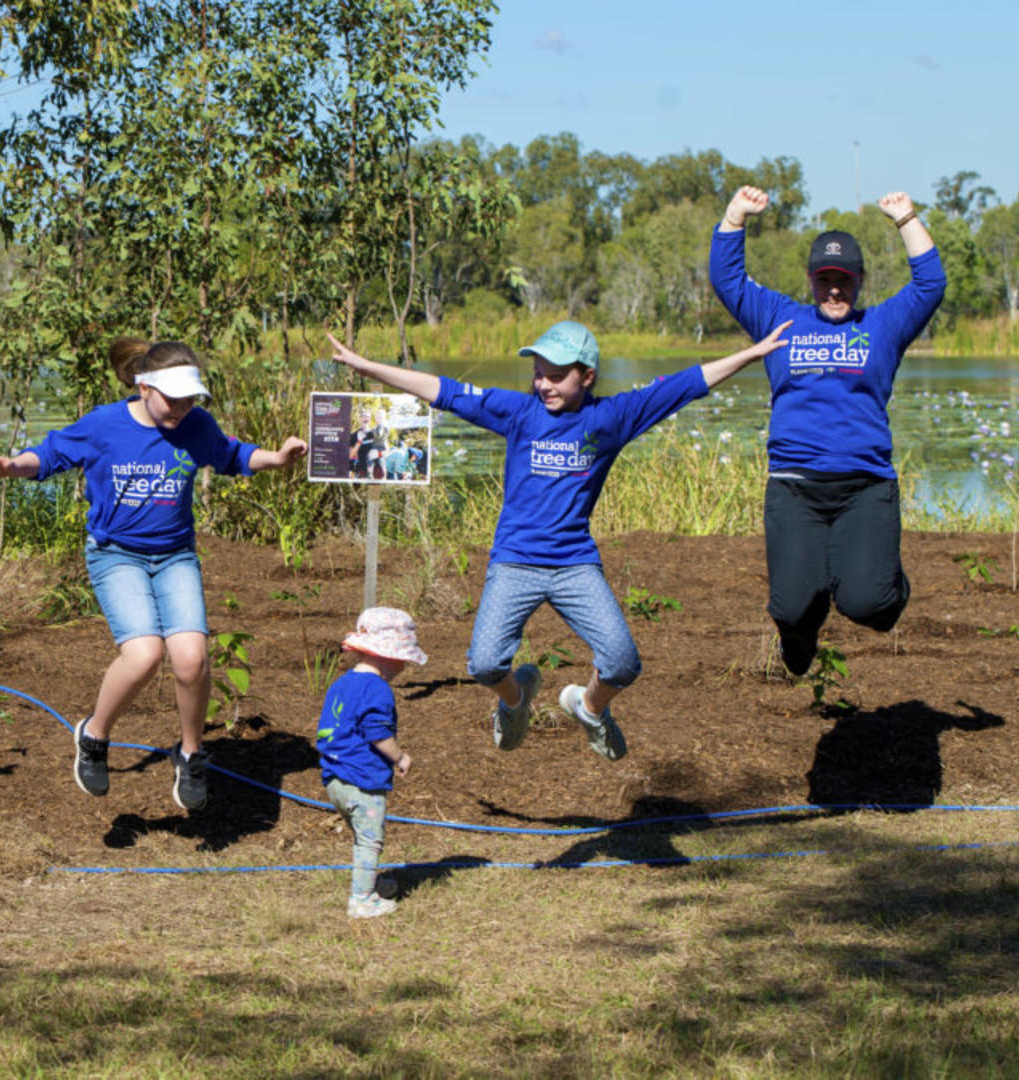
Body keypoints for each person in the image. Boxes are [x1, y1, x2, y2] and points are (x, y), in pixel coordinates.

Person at [325, 321, 790, 760]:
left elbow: (685, 385)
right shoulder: (519, 412)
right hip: (515, 562)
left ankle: (588, 707)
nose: (544, 384)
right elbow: (442, 390)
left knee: (623, 663)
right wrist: (368, 367)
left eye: (556, 376)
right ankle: (516, 699)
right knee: (485, 665)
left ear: (587, 377)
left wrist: (751, 353)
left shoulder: (612, 417)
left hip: (574, 564)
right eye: (538, 374)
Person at [0, 339, 307, 811]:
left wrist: (276, 457)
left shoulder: (196, 425)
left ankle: (191, 754)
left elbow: (230, 454)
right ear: (143, 386)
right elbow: (48, 456)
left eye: (191, 398)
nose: (183, 407)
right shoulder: (105, 425)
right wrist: (7, 467)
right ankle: (94, 734)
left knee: (191, 658)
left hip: (175, 556)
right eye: (174, 398)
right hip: (116, 555)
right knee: (145, 654)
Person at [712, 187, 945, 676]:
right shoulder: (781, 320)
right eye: (825, 280)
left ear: (859, 280)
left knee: (870, 606)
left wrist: (906, 220)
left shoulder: (883, 326)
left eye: (844, 280)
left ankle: (887, 584)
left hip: (865, 488)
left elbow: (930, 285)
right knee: (794, 608)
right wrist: (736, 216)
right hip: (795, 489)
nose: (834, 290)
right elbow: (728, 279)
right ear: (811, 281)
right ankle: (799, 637)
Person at [316, 606, 425, 919]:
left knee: (361, 835)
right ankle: (361, 899)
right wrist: (400, 757)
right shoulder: (377, 689)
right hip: (361, 781)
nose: (403, 667)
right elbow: (376, 732)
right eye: (402, 660)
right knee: (369, 840)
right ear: (386, 655)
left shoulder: (343, 684)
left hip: (335, 779)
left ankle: (369, 884)